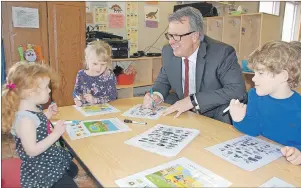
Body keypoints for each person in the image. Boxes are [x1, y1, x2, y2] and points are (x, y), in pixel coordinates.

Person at [143, 7, 245, 124]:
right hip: (183, 112)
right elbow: (163, 81)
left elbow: (237, 90)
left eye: (176, 36)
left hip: (212, 113)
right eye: (170, 35)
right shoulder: (168, 51)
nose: (171, 42)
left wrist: (193, 101)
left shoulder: (221, 53)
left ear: (195, 36)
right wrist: (156, 95)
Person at [1, 62, 78, 187]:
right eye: (46, 87)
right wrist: (56, 133)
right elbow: (31, 150)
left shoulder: (32, 108)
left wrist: (47, 114)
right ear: (31, 93)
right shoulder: (25, 120)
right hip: (40, 165)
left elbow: (37, 122)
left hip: (47, 154)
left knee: (72, 168)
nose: (49, 90)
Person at [229, 41, 301, 165]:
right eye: (254, 73)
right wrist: (239, 119)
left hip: (287, 168)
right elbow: (253, 129)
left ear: (283, 76)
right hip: (262, 160)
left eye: (260, 73)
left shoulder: (298, 106)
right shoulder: (254, 95)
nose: (253, 78)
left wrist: (298, 154)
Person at [73, 40, 117, 106]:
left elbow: (112, 96)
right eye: (95, 64)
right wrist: (78, 99)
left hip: (106, 110)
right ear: (87, 60)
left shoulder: (109, 75)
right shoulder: (81, 74)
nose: (99, 68)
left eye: (103, 64)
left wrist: (95, 100)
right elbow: (76, 92)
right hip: (87, 110)